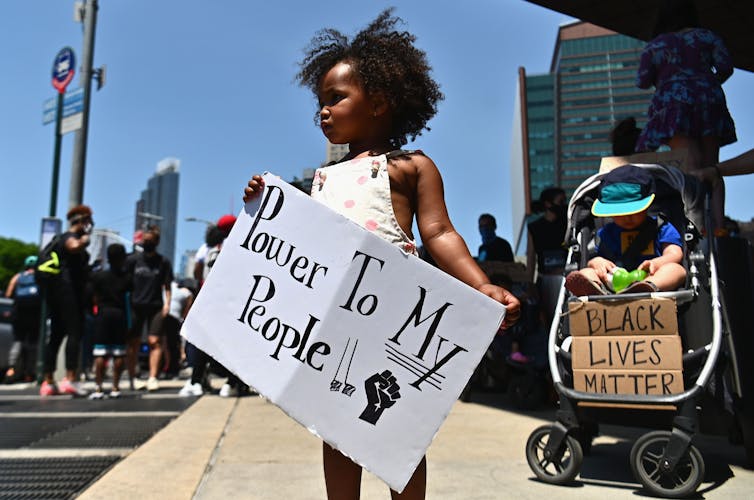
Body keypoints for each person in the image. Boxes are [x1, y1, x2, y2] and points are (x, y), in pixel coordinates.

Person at [243, 9, 520, 499]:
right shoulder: (322, 178)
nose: (323, 111)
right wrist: (264, 205)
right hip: (336, 318)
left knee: (397, 432)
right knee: (335, 426)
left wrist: (480, 285)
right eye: (320, 102)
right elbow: (298, 247)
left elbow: (439, 233)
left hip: (393, 317)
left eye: (336, 98)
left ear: (380, 102)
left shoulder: (409, 167)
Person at [634, 0, 736, 231]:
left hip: (674, 104)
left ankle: (696, 227)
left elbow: (642, 80)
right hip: (709, 100)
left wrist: (668, 80)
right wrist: (704, 81)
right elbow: (725, 66)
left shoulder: (656, 45)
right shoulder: (707, 36)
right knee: (713, 167)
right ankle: (719, 228)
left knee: (690, 164)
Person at [565, 165, 687, 296]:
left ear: (647, 206)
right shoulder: (606, 232)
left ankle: (648, 286)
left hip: (650, 276)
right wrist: (596, 262)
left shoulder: (662, 227)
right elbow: (594, 257)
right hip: (612, 284)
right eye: (619, 213)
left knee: (677, 270)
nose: (627, 217)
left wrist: (657, 263)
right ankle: (596, 289)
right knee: (586, 272)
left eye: (634, 211)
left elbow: (674, 253)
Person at [40, 205, 94, 396]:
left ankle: (48, 381)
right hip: (69, 292)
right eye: (88, 221)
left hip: (57, 294)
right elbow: (73, 246)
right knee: (75, 333)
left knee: (55, 337)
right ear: (80, 221)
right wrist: (85, 240)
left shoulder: (60, 239)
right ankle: (70, 378)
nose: (89, 225)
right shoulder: (69, 238)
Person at [125, 226, 173, 392]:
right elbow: (125, 283)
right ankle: (133, 377)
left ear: (157, 242)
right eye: (145, 241)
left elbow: (167, 286)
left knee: (155, 341)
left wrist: (167, 304)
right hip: (135, 305)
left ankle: (153, 377)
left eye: (150, 241)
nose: (147, 243)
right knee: (133, 342)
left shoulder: (163, 262)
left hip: (156, 306)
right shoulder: (133, 261)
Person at [87, 244, 131, 400]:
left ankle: (98, 388)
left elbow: (92, 295)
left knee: (100, 352)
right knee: (119, 352)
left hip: (103, 313)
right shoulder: (126, 277)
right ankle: (115, 387)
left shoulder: (98, 276)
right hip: (119, 314)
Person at [527, 187, 567, 328]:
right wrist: (529, 284)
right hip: (545, 280)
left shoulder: (567, 224)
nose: (564, 204)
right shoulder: (534, 227)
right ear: (548, 204)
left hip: (565, 277)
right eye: (561, 201)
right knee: (549, 320)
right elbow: (531, 258)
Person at [4, 256, 41, 383]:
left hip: (19, 314)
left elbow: (8, 294)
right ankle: (29, 373)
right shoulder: (39, 277)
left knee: (18, 341)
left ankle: (11, 369)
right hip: (35, 314)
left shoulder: (18, 277)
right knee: (33, 343)